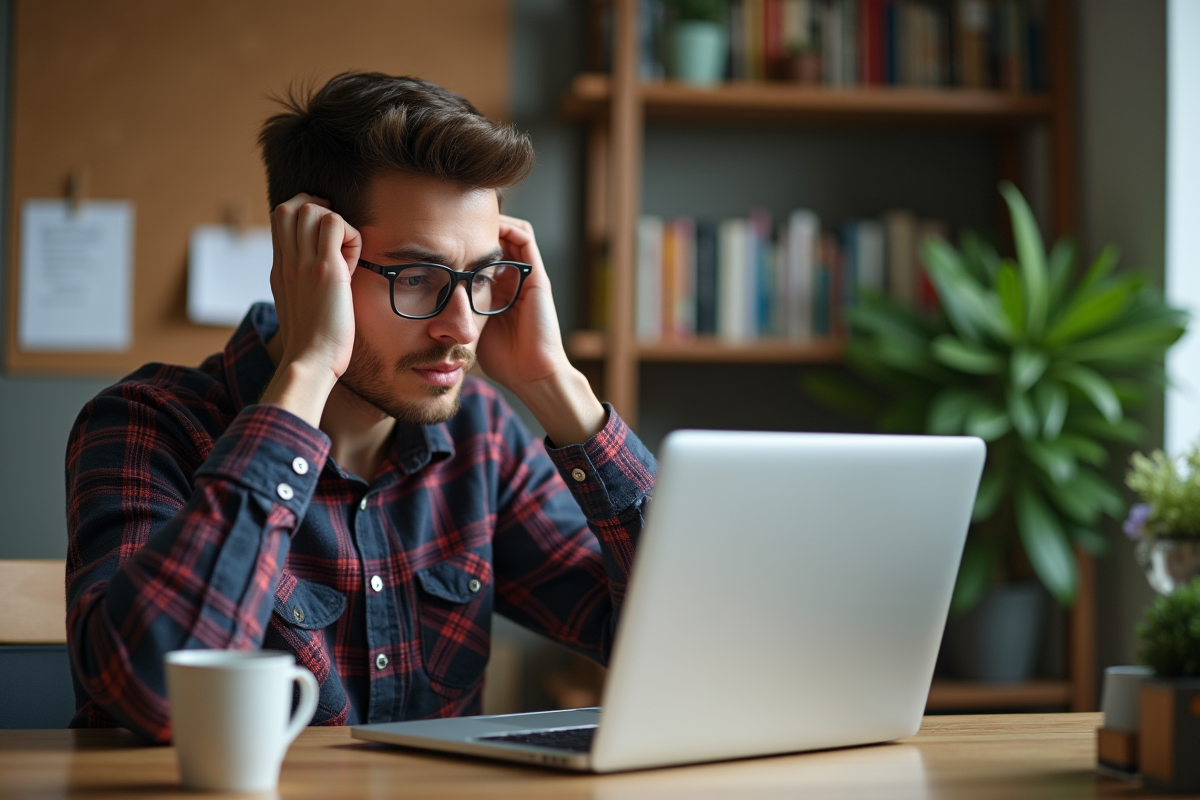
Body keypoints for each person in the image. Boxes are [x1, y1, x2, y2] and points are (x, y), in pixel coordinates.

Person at [64, 73, 655, 742]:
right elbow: (153, 697)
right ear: (311, 259)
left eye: (484, 277)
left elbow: (676, 643)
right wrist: (309, 369)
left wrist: (557, 384)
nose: (462, 327)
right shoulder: (149, 423)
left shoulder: (482, 434)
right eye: (417, 278)